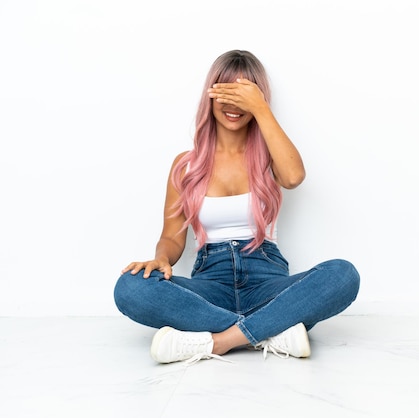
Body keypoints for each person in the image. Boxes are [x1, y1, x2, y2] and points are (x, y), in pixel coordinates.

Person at [113, 50, 360, 365]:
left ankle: (219, 341)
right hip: (209, 285)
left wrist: (260, 108)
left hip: (266, 279)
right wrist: (160, 259)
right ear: (210, 96)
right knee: (130, 288)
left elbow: (294, 177)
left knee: (342, 275)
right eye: (224, 93)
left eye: (242, 94)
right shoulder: (185, 166)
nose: (232, 104)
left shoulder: (270, 156)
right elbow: (172, 237)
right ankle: (271, 329)